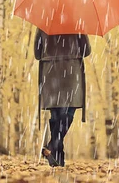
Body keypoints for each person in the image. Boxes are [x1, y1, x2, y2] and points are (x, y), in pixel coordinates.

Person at [34, 29, 91, 167]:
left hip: (51, 71)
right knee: (67, 113)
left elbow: (37, 54)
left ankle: (57, 157)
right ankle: (53, 147)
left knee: (56, 114)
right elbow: (86, 51)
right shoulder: (76, 23)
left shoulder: (44, 23)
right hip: (71, 71)